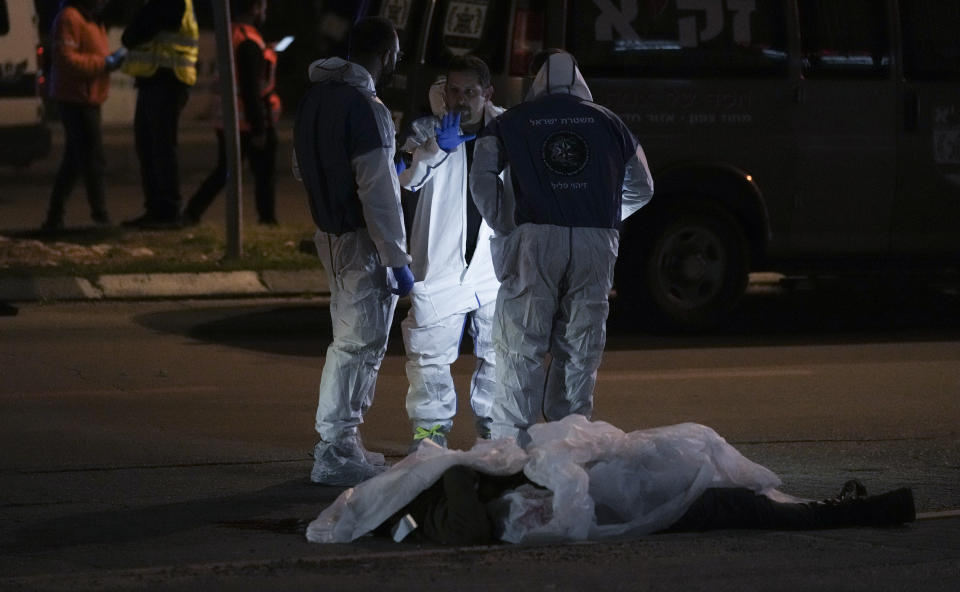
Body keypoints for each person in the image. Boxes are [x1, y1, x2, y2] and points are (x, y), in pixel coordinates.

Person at [306, 416, 917, 545]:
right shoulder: (427, 517)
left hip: (604, 483)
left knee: (712, 482)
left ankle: (834, 506)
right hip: (604, 503)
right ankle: (859, 511)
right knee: (723, 506)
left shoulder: (431, 495)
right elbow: (467, 526)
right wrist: (459, 470)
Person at [469, 50, 655, 447]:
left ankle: (509, 448)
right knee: (581, 345)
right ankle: (568, 441)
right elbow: (644, 187)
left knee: (522, 343)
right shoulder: (610, 122)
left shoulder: (511, 122)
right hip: (595, 242)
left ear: (536, 79)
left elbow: (482, 178)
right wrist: (604, 212)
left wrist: (505, 223)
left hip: (535, 239)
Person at [293, 16, 414, 486]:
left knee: (349, 338)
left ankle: (342, 444)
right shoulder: (368, 108)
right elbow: (379, 195)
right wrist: (397, 260)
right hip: (362, 240)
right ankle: (337, 449)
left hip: (331, 235)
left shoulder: (314, 99)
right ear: (386, 54)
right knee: (359, 343)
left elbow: (303, 169)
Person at [395, 56, 504, 450]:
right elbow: (405, 180)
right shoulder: (426, 130)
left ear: (487, 93)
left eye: (469, 92)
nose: (459, 100)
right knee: (428, 355)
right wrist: (434, 150)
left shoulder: (508, 128)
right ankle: (430, 435)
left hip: (495, 266)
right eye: (452, 90)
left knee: (500, 352)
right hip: (440, 265)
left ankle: (495, 432)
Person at [183, 0, 281, 226]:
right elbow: (250, 88)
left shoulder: (232, 34)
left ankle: (191, 213)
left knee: (224, 170)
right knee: (262, 172)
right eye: (263, 9)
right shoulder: (248, 41)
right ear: (255, 9)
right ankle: (267, 219)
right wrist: (259, 128)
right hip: (247, 120)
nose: (264, 14)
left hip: (230, 118)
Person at [42, 0, 127, 231]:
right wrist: (105, 63)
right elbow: (67, 60)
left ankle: (55, 217)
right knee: (92, 158)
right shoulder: (70, 17)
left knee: (76, 159)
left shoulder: (91, 18)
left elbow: (88, 54)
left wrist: (108, 60)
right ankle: (99, 215)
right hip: (75, 98)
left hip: (88, 98)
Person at [121, 0, 198, 229]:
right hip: (158, 81)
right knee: (150, 147)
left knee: (159, 147)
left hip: (165, 81)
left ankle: (166, 210)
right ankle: (157, 209)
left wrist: (132, 31)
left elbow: (135, 32)